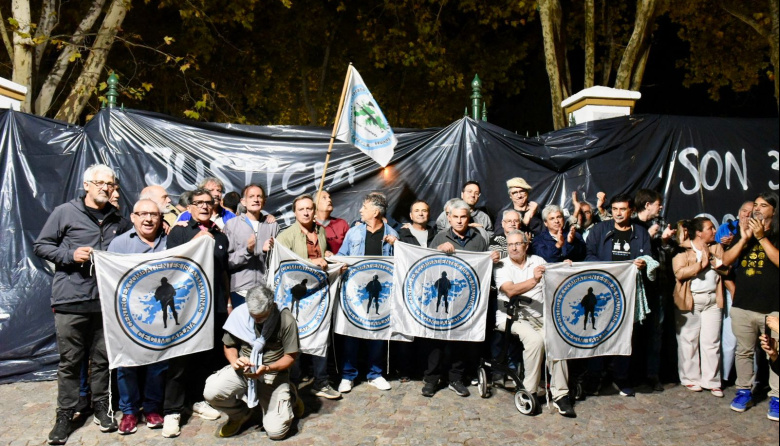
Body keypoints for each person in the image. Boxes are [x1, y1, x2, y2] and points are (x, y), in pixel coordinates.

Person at [34, 164, 130, 444]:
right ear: (87, 185)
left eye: (110, 184)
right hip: (71, 299)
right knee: (70, 362)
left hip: (105, 302)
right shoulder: (65, 212)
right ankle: (65, 414)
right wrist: (70, 254)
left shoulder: (118, 219)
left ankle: (101, 406)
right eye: (100, 183)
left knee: (101, 360)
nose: (105, 188)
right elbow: (41, 245)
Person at [162, 188, 231, 437]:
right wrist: (197, 241)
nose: (204, 206)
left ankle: (197, 400)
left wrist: (228, 300)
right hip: (185, 308)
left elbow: (224, 271)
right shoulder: (179, 232)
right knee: (179, 360)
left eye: (208, 203)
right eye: (198, 203)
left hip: (214, 305)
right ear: (189, 207)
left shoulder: (221, 236)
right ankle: (172, 410)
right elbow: (172, 264)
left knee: (206, 357)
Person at [494, 230, 576, 417]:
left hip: (539, 316)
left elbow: (556, 278)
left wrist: (564, 267)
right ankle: (529, 391)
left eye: (518, 244)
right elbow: (511, 291)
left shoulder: (538, 261)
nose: (514, 248)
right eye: (510, 245)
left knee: (556, 338)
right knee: (535, 341)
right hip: (511, 317)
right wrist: (534, 279)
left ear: (526, 245)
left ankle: (561, 394)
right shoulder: (501, 266)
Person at [203, 285, 301, 439]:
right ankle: (240, 415)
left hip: (272, 373)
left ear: (272, 306)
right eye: (253, 315)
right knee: (211, 392)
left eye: (262, 316)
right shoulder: (240, 314)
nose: (257, 320)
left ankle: (291, 396)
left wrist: (268, 368)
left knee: (276, 433)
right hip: (245, 370)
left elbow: (290, 357)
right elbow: (228, 345)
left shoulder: (285, 319)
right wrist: (235, 361)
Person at [423, 199, 498, 398]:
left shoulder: (479, 239)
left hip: (466, 298)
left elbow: (483, 268)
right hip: (442, 298)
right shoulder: (440, 237)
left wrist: (490, 260)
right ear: (449, 218)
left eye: (463, 217)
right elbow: (427, 266)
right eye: (455, 217)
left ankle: (455, 378)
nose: (459, 220)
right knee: (437, 340)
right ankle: (431, 380)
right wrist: (438, 250)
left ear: (468, 218)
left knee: (461, 340)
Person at [107, 199, 170, 434]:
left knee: (158, 362)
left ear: (160, 218)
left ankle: (152, 408)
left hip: (157, 316)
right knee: (127, 364)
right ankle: (130, 411)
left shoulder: (169, 242)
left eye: (153, 214)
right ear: (133, 217)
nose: (148, 219)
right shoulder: (119, 243)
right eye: (142, 214)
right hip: (128, 314)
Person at [584, 193, 651, 397]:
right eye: (614, 209)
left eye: (622, 209)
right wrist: (607, 269)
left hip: (628, 294)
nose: (618, 213)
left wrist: (644, 263)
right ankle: (595, 377)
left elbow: (649, 257)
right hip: (603, 292)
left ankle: (621, 378)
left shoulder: (641, 232)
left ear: (631, 210)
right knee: (598, 334)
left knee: (625, 336)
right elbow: (588, 255)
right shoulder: (599, 229)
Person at [275, 194, 341, 400]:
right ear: (294, 213)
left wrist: (328, 254)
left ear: (314, 211)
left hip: (318, 294)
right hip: (296, 297)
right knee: (296, 336)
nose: (305, 212)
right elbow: (285, 266)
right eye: (301, 209)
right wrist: (314, 262)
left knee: (320, 333)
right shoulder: (285, 236)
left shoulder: (321, 231)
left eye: (309, 209)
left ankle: (321, 381)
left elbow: (322, 255)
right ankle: (294, 382)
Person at [722, 192, 779, 420]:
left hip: (773, 307)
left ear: (773, 211)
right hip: (744, 305)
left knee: (774, 353)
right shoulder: (743, 233)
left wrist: (762, 238)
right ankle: (744, 390)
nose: (757, 208)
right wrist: (745, 239)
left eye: (763, 205)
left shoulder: (775, 234)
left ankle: (777, 397)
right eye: (755, 204)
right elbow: (726, 261)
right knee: (743, 351)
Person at [336, 193, 398, 393]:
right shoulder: (353, 233)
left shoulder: (392, 234)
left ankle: (375, 374)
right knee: (351, 332)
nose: (360, 210)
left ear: (376, 212)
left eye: (364, 207)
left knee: (378, 333)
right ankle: (348, 375)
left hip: (381, 293)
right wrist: (334, 260)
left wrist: (396, 245)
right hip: (354, 291)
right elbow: (343, 255)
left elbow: (404, 262)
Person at [672, 217, 727, 397]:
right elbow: (679, 273)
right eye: (710, 228)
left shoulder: (716, 247)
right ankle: (690, 378)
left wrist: (712, 260)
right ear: (699, 232)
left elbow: (726, 268)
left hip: (712, 300)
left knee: (711, 341)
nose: (714, 231)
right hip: (690, 300)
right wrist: (699, 265)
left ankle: (712, 381)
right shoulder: (682, 249)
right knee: (689, 341)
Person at [223, 184, 279, 309]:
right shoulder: (232, 225)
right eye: (251, 196)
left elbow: (278, 260)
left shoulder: (272, 225)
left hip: (265, 290)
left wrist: (268, 252)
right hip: (240, 290)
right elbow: (226, 262)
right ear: (243, 201)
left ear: (264, 202)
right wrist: (248, 251)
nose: (256, 199)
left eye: (259, 196)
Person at [717, 201, 753, 383]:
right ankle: (723, 376)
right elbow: (719, 261)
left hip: (754, 291)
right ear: (738, 213)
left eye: (751, 212)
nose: (747, 215)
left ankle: (753, 381)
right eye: (744, 211)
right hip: (733, 288)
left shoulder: (760, 233)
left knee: (754, 341)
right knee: (729, 337)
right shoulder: (727, 228)